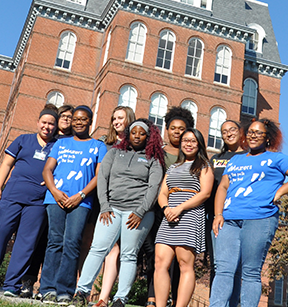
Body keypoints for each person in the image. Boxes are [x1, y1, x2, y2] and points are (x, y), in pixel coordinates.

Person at [209, 119, 288, 307]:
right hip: (229, 220)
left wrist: (280, 191)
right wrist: (218, 214)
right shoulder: (236, 159)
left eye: (258, 133)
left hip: (260, 218)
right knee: (223, 269)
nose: (253, 135)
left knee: (250, 272)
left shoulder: (276, 158)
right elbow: (223, 186)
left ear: (268, 138)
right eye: (250, 132)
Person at [71, 119, 165, 307]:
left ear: (149, 137)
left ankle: (120, 298)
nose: (137, 136)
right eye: (134, 132)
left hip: (137, 213)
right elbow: (103, 178)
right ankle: (82, 291)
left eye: (142, 133)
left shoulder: (153, 159)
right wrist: (105, 206)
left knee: (129, 254)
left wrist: (140, 211)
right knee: (97, 249)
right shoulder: (114, 152)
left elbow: (154, 188)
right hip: (111, 209)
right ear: (128, 134)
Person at [0, 105, 59, 297]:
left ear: (55, 127)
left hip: (38, 202)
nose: (47, 127)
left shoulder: (58, 146)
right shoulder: (23, 140)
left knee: (25, 244)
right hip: (12, 197)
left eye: (51, 124)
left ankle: (11, 285)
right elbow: (6, 163)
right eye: (44, 123)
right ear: (38, 123)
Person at [38, 106, 107, 304]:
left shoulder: (98, 146)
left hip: (82, 202)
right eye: (76, 119)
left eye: (83, 119)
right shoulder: (61, 143)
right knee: (54, 242)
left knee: (72, 243)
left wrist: (81, 195)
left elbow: (98, 175)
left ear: (90, 122)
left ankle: (65, 290)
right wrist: (55, 192)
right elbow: (47, 170)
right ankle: (48, 289)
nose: (78, 122)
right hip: (55, 199)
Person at [154, 128, 213, 307]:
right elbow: (162, 193)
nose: (188, 144)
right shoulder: (173, 167)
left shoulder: (204, 166)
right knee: (160, 262)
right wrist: (166, 209)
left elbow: (205, 193)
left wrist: (179, 208)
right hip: (169, 217)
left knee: (185, 264)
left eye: (193, 141)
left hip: (189, 216)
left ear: (199, 144)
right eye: (186, 140)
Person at [94, 106, 136, 307]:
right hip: (102, 200)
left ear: (130, 120)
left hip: (125, 203)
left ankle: (104, 297)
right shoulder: (106, 143)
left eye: (121, 118)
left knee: (115, 250)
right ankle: (83, 291)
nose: (116, 121)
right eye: (114, 118)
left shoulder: (137, 145)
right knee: (95, 246)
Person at [206, 120, 245, 307]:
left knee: (237, 267)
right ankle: (216, 302)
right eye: (224, 132)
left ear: (240, 132)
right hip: (218, 216)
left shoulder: (249, 156)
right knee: (219, 265)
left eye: (232, 130)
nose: (228, 134)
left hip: (243, 215)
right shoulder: (216, 159)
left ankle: (233, 303)